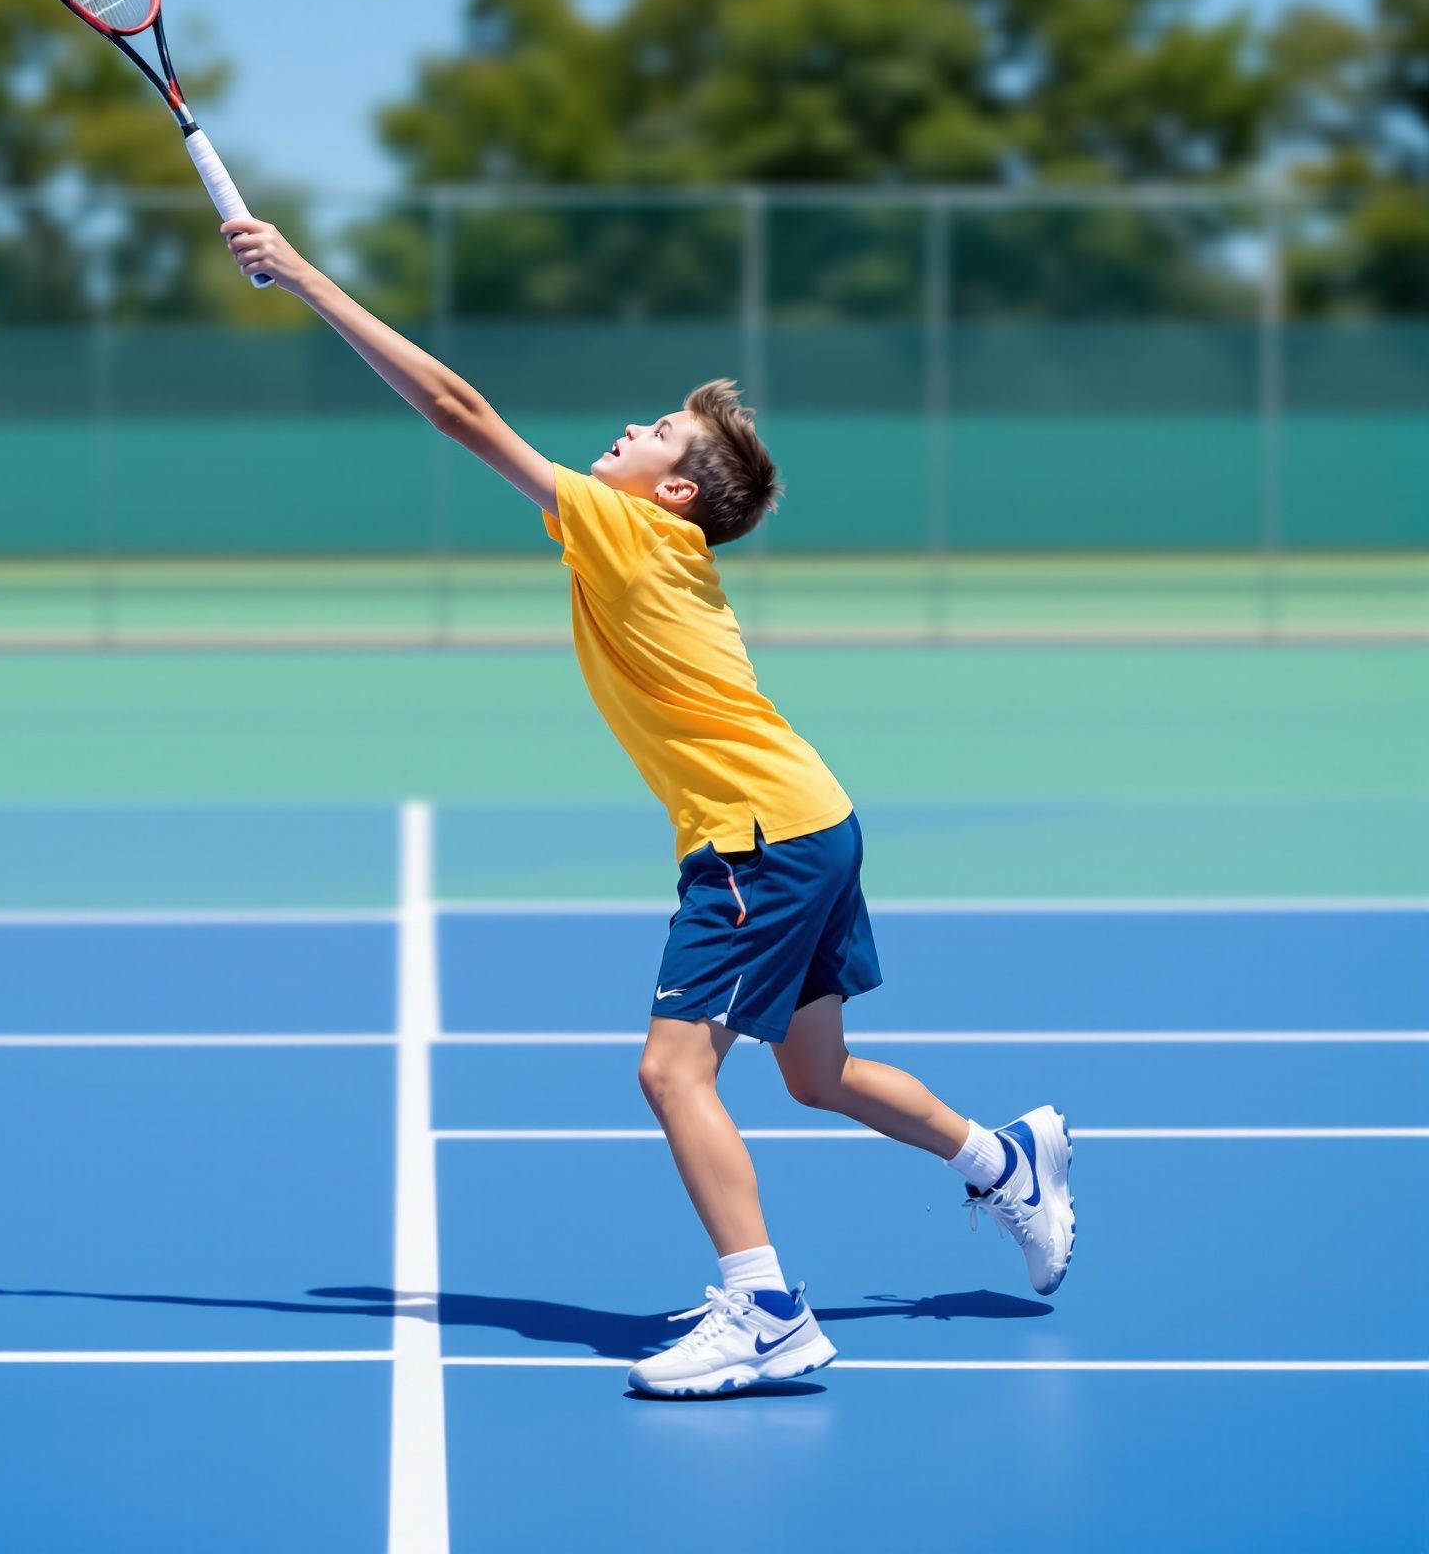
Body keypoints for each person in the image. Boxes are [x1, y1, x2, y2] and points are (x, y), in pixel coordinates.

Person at [220, 214, 1075, 1398]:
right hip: (810, 817)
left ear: (670, 488)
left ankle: (765, 1306)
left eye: (654, 430)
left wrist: (302, 275)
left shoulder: (624, 528)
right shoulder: (645, 541)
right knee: (813, 1075)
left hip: (755, 839)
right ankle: (1003, 1156)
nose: (626, 429)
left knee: (671, 1073)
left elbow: (456, 410)